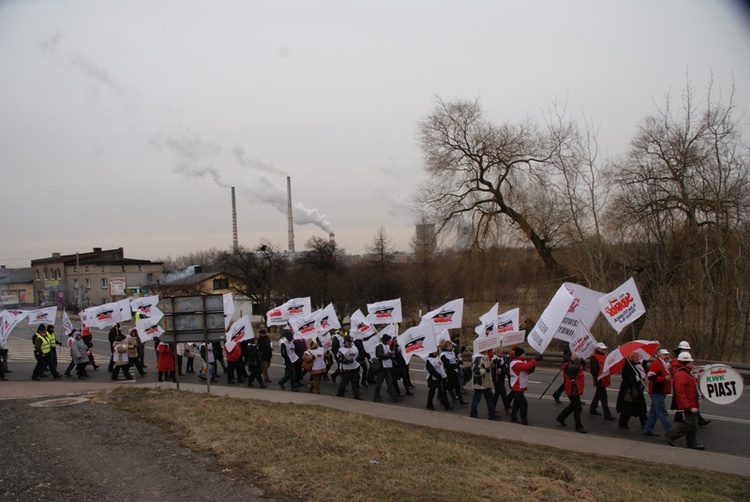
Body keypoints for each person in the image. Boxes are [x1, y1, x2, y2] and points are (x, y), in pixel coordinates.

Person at [667, 352, 705, 450]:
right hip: (689, 404)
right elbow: (680, 392)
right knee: (690, 423)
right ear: (685, 362)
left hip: (692, 402)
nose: (692, 364)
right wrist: (686, 405)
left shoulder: (686, 373)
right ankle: (671, 435)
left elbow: (691, 388)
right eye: (690, 362)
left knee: (693, 424)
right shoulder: (682, 374)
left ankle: (691, 443)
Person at [671, 341, 710, 427]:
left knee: (685, 399)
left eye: (687, 349)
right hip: (683, 382)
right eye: (685, 349)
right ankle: (698, 420)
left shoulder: (685, 360)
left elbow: (692, 369)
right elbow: (677, 374)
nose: (687, 351)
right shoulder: (677, 362)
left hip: (687, 381)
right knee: (687, 400)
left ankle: (679, 416)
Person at [643, 349, 674, 438]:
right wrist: (664, 379)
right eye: (664, 355)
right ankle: (671, 433)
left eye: (667, 354)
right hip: (656, 391)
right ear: (659, 355)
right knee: (662, 412)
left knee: (654, 412)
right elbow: (650, 377)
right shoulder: (656, 364)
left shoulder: (665, 365)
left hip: (661, 391)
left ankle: (647, 429)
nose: (667, 356)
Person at [556, 353, 587, 433]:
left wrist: (580, 359)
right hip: (572, 388)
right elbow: (575, 368)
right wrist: (576, 360)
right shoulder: (567, 365)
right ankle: (578, 426)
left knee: (573, 405)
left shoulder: (574, 363)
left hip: (575, 388)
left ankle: (561, 417)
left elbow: (582, 365)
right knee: (578, 408)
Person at [616, 352, 648, 430]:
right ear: (631, 358)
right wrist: (634, 377)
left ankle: (646, 425)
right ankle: (623, 423)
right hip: (630, 390)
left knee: (642, 408)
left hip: (638, 390)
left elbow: (644, 371)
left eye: (638, 356)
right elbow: (625, 377)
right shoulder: (628, 366)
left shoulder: (638, 365)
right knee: (627, 408)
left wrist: (644, 364)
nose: (637, 358)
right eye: (635, 357)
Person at [509, 346, 540, 425]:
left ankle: (513, 417)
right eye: (523, 354)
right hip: (517, 386)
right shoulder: (515, 363)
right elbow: (526, 367)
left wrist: (532, 367)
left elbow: (525, 371)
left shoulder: (521, 361)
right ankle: (524, 421)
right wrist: (535, 360)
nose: (524, 356)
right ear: (520, 355)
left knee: (517, 403)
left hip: (520, 385)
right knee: (523, 404)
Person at [588, 343, 616, 420]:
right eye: (602, 349)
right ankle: (607, 414)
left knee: (598, 395)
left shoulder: (605, 356)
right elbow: (593, 370)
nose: (604, 350)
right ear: (597, 349)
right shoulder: (594, 357)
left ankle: (593, 409)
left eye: (604, 349)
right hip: (599, 379)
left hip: (604, 378)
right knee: (604, 397)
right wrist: (598, 378)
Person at [470, 350, 499, 420]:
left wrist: (493, 363)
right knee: (477, 399)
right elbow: (476, 371)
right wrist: (486, 370)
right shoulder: (478, 359)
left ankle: (491, 415)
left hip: (486, 382)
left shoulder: (485, 357)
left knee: (490, 399)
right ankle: (473, 413)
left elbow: (487, 366)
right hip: (479, 383)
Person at [372, 334, 400, 403]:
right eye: (388, 340)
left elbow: (388, 354)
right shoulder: (379, 346)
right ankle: (376, 396)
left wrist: (392, 355)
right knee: (379, 383)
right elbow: (380, 356)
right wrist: (390, 354)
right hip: (381, 367)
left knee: (390, 383)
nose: (389, 341)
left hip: (387, 367)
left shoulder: (387, 346)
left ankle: (394, 396)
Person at [335, 335, 363, 400]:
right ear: (346, 342)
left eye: (351, 342)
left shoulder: (354, 348)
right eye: (349, 342)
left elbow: (357, 355)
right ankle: (339, 395)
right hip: (345, 369)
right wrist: (348, 361)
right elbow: (340, 359)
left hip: (353, 368)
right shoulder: (342, 350)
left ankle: (357, 395)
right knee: (343, 383)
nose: (350, 343)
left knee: (354, 382)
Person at [440, 340, 466, 405]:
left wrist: (459, 362)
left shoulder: (452, 352)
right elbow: (447, 365)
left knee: (457, 386)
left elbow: (455, 359)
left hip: (454, 371)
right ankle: (444, 399)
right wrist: (456, 366)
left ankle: (461, 400)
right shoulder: (443, 355)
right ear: (446, 347)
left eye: (451, 346)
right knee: (449, 387)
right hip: (448, 372)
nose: (450, 347)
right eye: (449, 346)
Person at [491, 349, 511, 415]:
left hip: (501, 378)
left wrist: (502, 369)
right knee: (503, 393)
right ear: (497, 353)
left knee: (497, 393)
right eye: (500, 352)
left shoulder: (503, 359)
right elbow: (496, 370)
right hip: (496, 379)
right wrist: (502, 368)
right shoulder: (494, 360)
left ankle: (492, 407)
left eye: (502, 352)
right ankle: (507, 408)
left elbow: (506, 368)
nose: (502, 353)